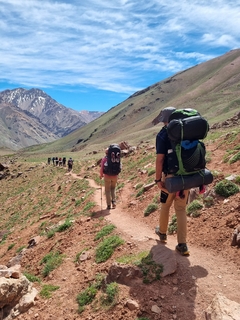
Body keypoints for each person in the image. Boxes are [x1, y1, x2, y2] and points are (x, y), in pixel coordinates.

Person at [155, 106, 190, 256]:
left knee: (165, 205)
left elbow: (160, 159)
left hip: (170, 177)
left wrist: (158, 179)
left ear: (164, 120)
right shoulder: (187, 131)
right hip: (188, 176)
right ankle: (182, 245)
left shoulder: (163, 134)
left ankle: (162, 234)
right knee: (181, 209)